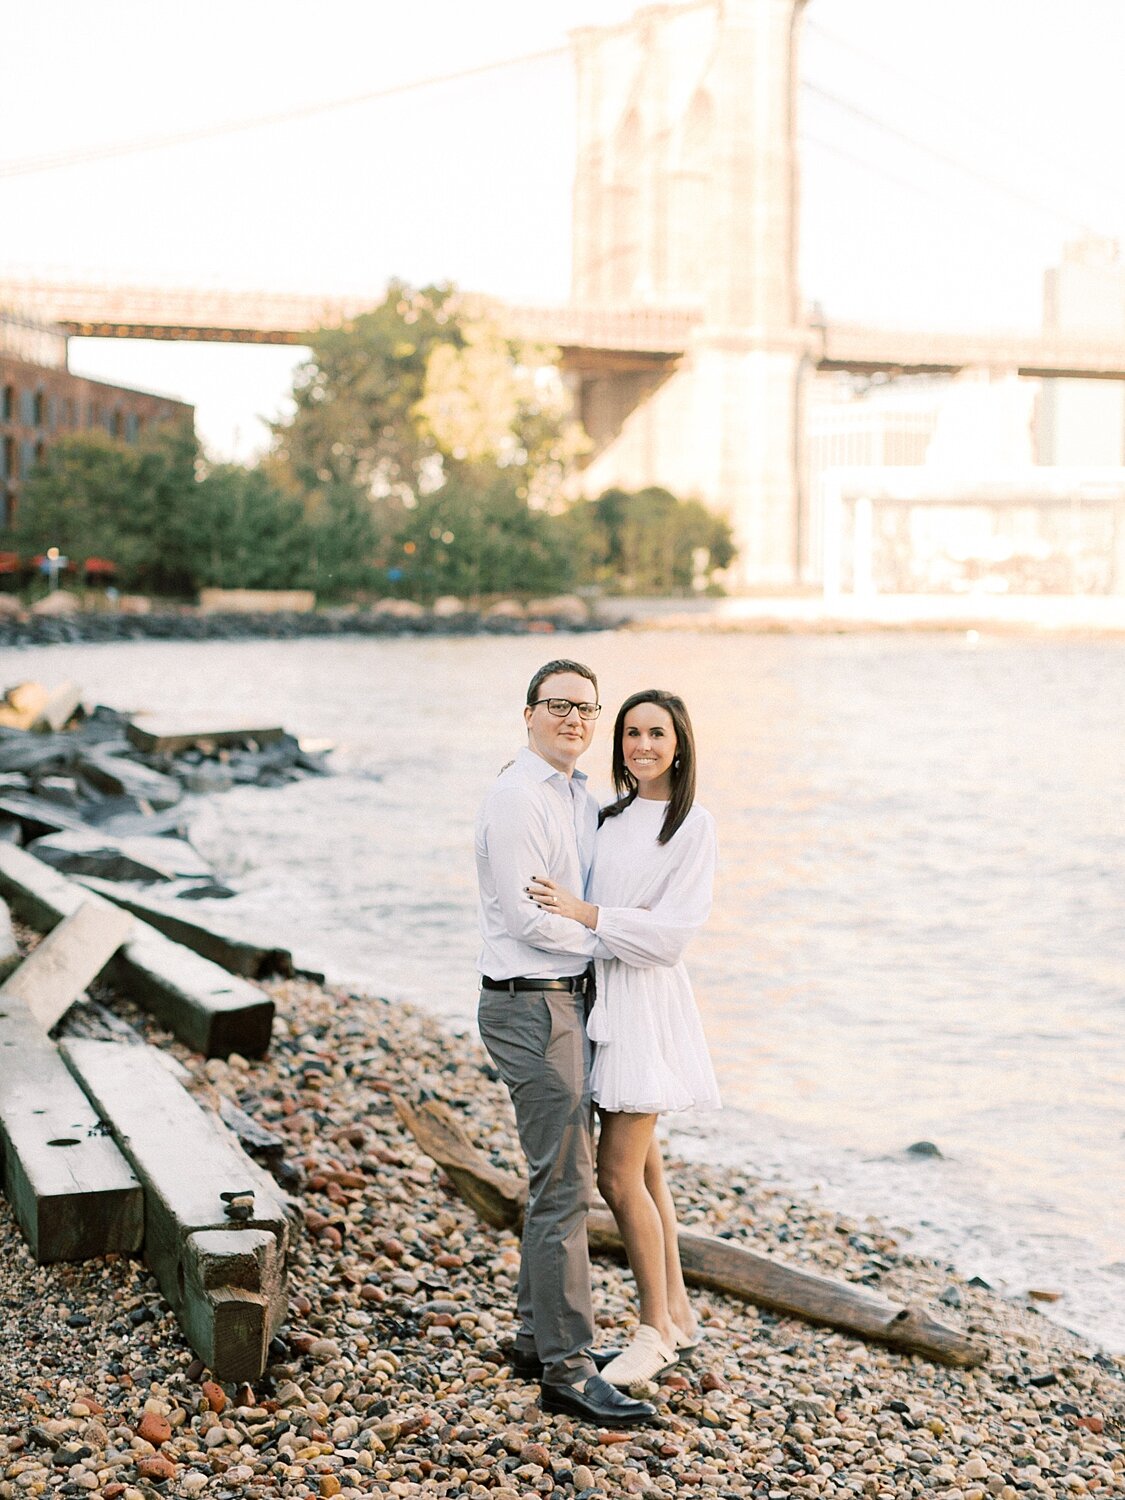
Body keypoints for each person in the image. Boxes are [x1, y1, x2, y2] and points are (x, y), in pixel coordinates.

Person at [475, 660, 659, 1429]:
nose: (575, 720)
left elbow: (589, 899)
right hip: (531, 1006)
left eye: (587, 709)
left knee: (555, 1178)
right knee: (565, 1189)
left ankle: (533, 1337)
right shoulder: (520, 798)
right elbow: (527, 921)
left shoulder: (577, 797)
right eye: (559, 706)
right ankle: (569, 1369)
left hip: (562, 1002)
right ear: (527, 714)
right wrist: (604, 932)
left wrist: (594, 917)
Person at [528, 688, 720, 1387]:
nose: (641, 745)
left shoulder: (689, 825)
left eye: (656, 734)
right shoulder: (607, 817)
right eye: (631, 732)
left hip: (644, 1005)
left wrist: (588, 913)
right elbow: (613, 915)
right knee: (645, 1171)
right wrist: (602, 917)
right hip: (600, 994)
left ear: (680, 745)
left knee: (614, 1174)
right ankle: (677, 1315)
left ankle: (651, 1332)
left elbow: (669, 937)